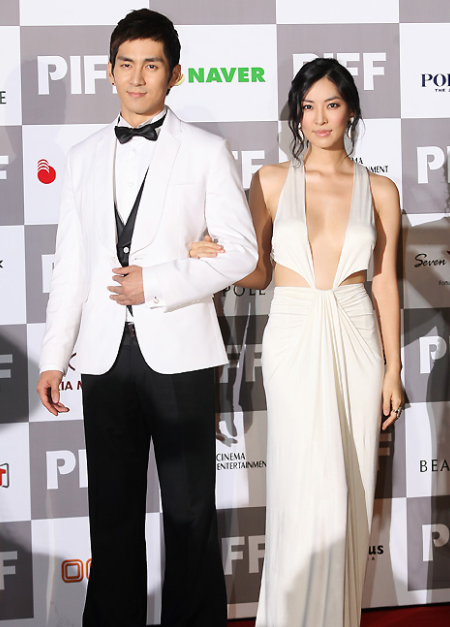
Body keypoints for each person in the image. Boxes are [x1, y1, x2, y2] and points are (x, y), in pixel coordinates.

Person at [36, 9, 257, 627]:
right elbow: (72, 267)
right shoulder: (81, 156)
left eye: (151, 65)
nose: (137, 77)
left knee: (190, 514)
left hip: (180, 351)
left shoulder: (206, 150)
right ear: (109, 71)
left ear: (174, 74)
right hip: (103, 356)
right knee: (111, 515)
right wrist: (54, 357)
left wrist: (155, 281)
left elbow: (243, 252)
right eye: (126, 64)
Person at [190, 58, 403, 627]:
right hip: (292, 331)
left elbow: (384, 281)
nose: (319, 118)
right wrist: (216, 257)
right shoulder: (270, 181)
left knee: (352, 485)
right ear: (297, 115)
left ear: (351, 110)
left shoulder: (381, 189)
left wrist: (393, 369)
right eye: (308, 107)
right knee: (300, 484)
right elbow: (258, 273)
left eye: (331, 104)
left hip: (357, 335)